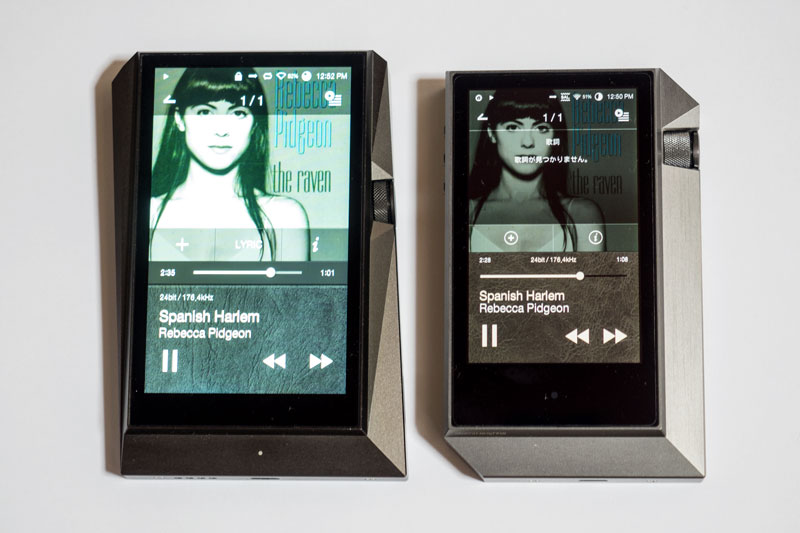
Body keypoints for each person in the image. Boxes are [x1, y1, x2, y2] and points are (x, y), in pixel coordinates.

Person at [150, 67, 309, 261]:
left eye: (238, 113)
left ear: (255, 124)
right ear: (179, 119)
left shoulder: (284, 216)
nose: (221, 130)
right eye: (204, 112)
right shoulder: (149, 214)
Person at [469, 89, 605, 252]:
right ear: (492, 133)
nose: (528, 142)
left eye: (541, 128)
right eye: (513, 127)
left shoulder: (581, 214)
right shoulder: (467, 211)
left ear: (555, 137)